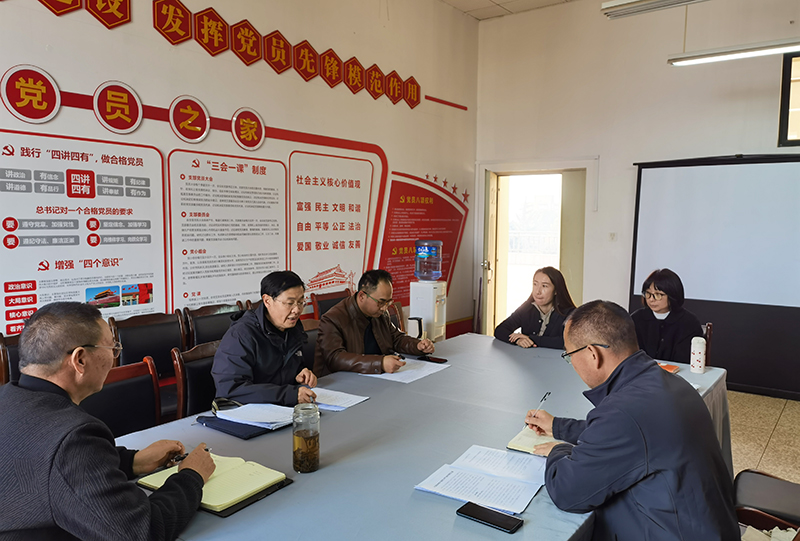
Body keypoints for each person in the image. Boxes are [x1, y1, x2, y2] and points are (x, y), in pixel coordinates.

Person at [0, 302, 215, 540]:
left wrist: (132, 461)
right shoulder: (72, 436)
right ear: (80, 360)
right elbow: (141, 531)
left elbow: (49, 467)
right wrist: (191, 476)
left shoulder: (8, 398)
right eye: (112, 347)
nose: (115, 356)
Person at [525, 300, 738, 541]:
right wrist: (558, 426)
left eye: (569, 355)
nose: (571, 364)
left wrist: (559, 450)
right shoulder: (667, 382)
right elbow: (629, 434)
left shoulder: (621, 413)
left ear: (593, 354)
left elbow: (568, 492)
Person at [213, 270, 318, 405]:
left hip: (278, 407)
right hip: (247, 410)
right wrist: (289, 395)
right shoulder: (241, 335)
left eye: (300, 302)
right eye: (290, 303)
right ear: (267, 301)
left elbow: (282, 367)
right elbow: (231, 389)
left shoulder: (292, 328)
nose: (297, 310)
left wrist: (299, 372)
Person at [313, 269, 435, 377]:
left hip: (373, 377)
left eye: (388, 302)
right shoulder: (332, 319)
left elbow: (396, 339)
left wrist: (417, 345)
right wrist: (380, 363)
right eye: (381, 302)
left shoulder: (380, 314)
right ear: (362, 296)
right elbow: (335, 358)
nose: (384, 308)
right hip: (338, 382)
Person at [630, 268, 703, 363]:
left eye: (658, 295)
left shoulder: (689, 323)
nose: (651, 299)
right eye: (648, 294)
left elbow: (686, 361)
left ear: (672, 295)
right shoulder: (636, 319)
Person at [494, 266, 576, 349]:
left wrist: (531, 339)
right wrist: (518, 340)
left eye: (544, 286)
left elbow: (569, 341)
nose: (537, 291)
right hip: (528, 356)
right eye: (535, 284)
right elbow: (500, 330)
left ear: (556, 291)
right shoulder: (527, 308)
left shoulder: (570, 313)